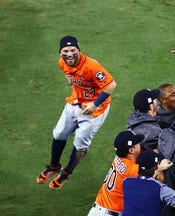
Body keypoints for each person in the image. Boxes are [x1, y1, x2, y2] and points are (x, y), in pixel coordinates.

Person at [37, 35, 117, 190]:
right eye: (65, 50)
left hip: (94, 111)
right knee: (58, 134)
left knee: (80, 145)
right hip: (75, 103)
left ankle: (66, 173)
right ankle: (54, 167)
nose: (69, 54)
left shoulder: (91, 66)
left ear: (79, 50)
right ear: (60, 52)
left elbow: (111, 85)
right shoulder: (62, 63)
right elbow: (72, 79)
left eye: (73, 50)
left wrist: (95, 104)